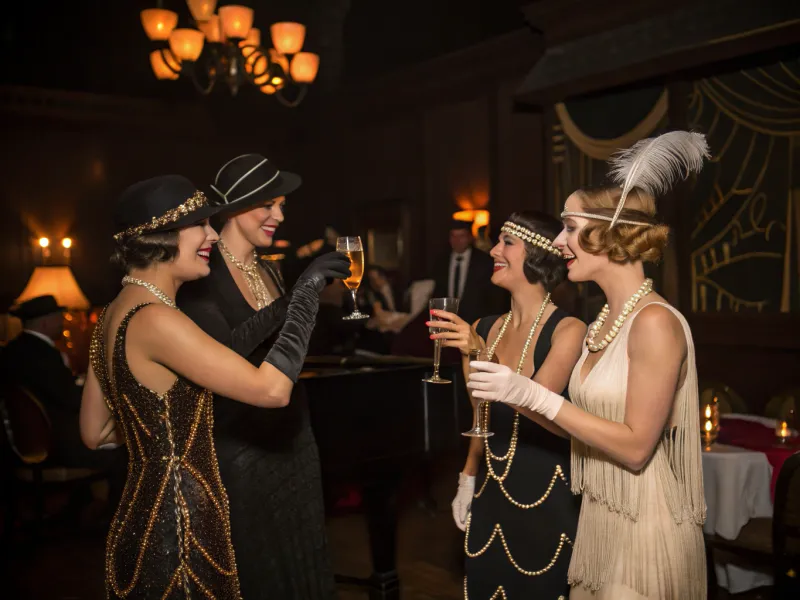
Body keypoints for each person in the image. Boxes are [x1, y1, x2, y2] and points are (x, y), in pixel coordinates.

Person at [79, 174, 349, 599]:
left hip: (138, 516)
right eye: (200, 224)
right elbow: (273, 390)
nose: (210, 234)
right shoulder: (158, 319)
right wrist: (306, 295)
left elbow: (94, 433)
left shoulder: (112, 314)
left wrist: (165, 430)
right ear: (162, 236)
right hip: (181, 522)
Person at [468, 132, 710, 599]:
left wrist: (533, 394)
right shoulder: (604, 321)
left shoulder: (654, 322)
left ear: (612, 231)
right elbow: (583, 428)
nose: (559, 242)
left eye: (570, 227)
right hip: (600, 517)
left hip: (646, 524)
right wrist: (513, 389)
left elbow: (637, 447)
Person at [177, 154, 349, 599]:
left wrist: (323, 307)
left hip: (292, 433)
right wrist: (299, 296)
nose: (280, 215)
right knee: (256, 561)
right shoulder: (202, 273)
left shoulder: (269, 268)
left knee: (301, 551)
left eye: (282, 205)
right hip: (240, 443)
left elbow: (288, 348)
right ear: (234, 209)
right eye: (267, 205)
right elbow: (226, 350)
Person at [428, 211, 585, 598]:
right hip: (490, 488)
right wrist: (467, 476)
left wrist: (481, 354)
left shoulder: (569, 330)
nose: (494, 250)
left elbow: (537, 407)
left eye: (506, 243)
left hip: (548, 491)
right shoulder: (481, 327)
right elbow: (480, 414)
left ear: (537, 256)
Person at [1, 295, 123, 473]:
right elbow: (72, 400)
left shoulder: (11, 350)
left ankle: (82, 499)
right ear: (45, 323)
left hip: (22, 444)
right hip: (56, 445)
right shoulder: (44, 355)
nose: (62, 323)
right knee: (129, 453)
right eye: (58, 318)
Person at [433, 219, 507, 325]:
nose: (457, 240)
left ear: (470, 237)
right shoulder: (441, 262)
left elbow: (494, 298)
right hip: (447, 323)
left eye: (461, 236)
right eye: (453, 236)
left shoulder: (485, 262)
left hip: (476, 323)